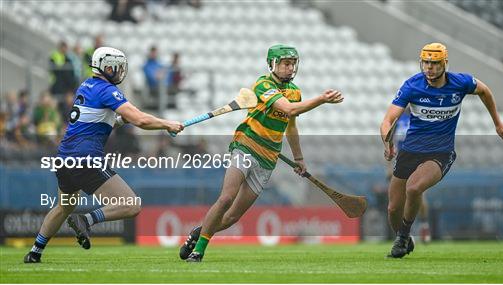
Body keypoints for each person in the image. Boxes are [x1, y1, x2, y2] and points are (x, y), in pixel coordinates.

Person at [179, 44, 344, 262]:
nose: (290, 68)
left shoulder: (295, 91)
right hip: (246, 146)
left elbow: (291, 125)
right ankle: (199, 250)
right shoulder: (262, 84)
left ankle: (198, 232)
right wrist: (321, 99)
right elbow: (288, 109)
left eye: (293, 63)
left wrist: (299, 158)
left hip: (268, 158)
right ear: (272, 64)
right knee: (227, 198)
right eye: (285, 63)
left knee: (232, 217)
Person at [23, 47, 183, 263]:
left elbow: (95, 121)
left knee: (63, 206)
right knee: (131, 204)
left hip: (64, 159)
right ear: (107, 67)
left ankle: (35, 252)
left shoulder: (86, 85)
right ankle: (86, 220)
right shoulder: (107, 90)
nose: (120, 72)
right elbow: (141, 120)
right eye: (117, 67)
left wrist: (118, 120)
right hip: (85, 159)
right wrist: (167, 124)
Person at [380, 43, 503, 258]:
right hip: (410, 151)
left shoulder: (460, 82)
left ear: (444, 64)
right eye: (426, 63)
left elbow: (485, 91)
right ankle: (406, 237)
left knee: (414, 189)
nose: (429, 68)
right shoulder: (412, 86)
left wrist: (497, 123)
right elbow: (388, 120)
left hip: (440, 153)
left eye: (434, 63)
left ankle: (402, 239)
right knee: (393, 209)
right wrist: (387, 140)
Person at [386, 108, 431, 243]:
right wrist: (388, 166)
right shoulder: (398, 118)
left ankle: (424, 225)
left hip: (419, 159)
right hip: (401, 161)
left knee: (418, 193)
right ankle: (405, 234)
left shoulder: (423, 116)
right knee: (398, 200)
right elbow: (390, 141)